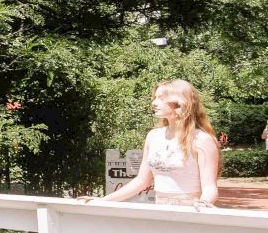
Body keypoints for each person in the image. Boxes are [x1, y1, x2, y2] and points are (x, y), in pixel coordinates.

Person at [81, 80, 220, 208]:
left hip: (190, 213)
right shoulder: (153, 136)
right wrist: (102, 201)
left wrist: (203, 205)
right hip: (159, 210)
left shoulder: (202, 139)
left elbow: (210, 188)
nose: (154, 103)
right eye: (154, 98)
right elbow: (142, 181)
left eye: (161, 98)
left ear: (180, 102)